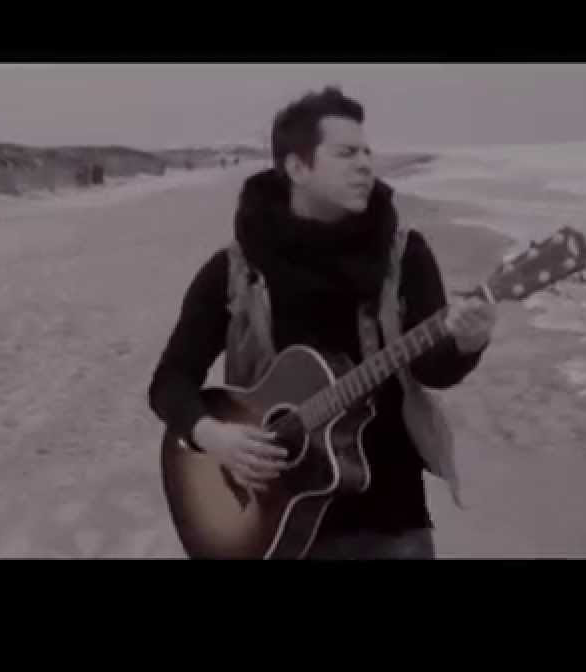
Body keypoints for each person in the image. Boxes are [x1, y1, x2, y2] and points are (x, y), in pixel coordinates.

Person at [147, 86, 496, 559]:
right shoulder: (236, 271)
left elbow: (433, 368)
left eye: (367, 152)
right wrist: (214, 436)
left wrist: (468, 342)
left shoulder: (404, 255)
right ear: (297, 167)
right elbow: (170, 381)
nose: (366, 165)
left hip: (393, 517)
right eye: (347, 153)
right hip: (269, 519)